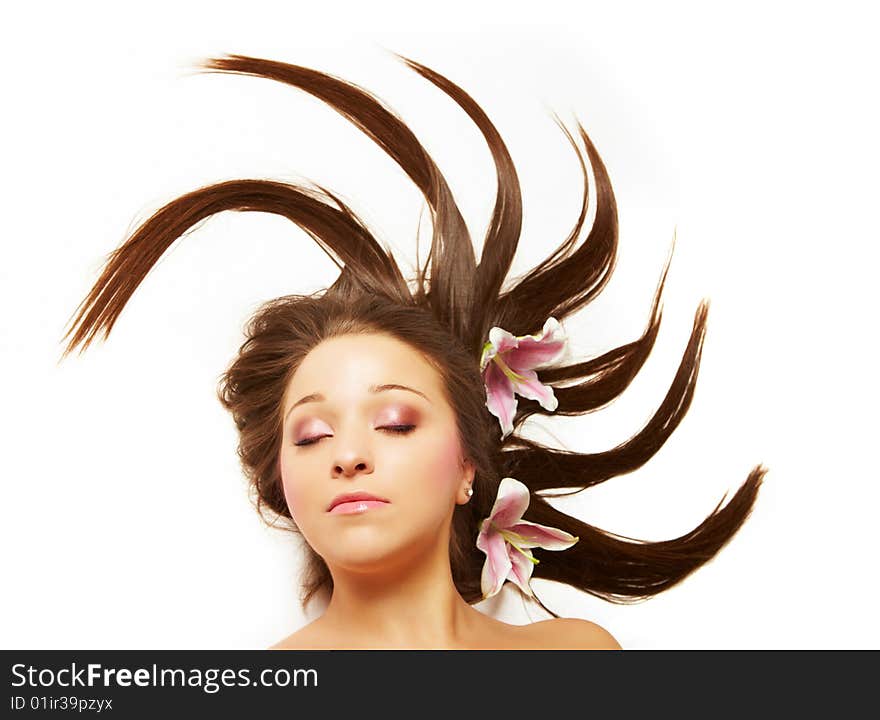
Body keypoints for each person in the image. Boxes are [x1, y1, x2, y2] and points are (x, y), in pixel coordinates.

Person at [58, 51, 766, 650]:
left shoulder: (579, 654)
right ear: (282, 485)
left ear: (468, 465)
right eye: (310, 435)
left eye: (395, 421)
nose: (348, 453)